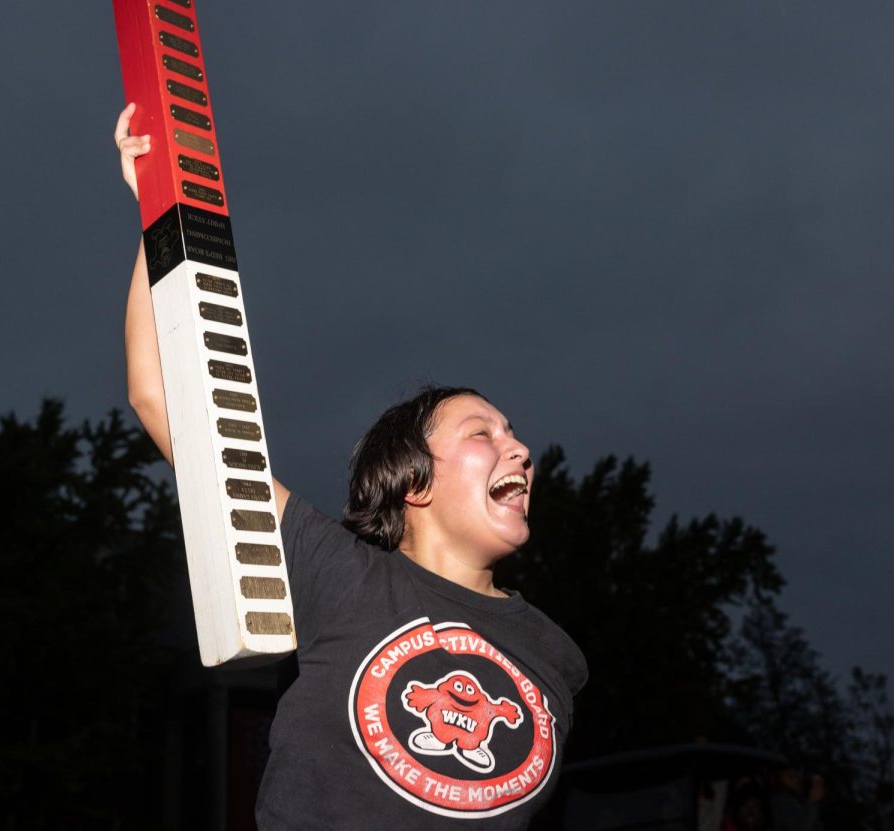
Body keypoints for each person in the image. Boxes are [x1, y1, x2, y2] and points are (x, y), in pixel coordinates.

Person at [115, 105, 587, 829]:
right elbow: (163, 400)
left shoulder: (554, 654)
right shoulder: (343, 577)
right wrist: (158, 198)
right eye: (481, 432)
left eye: (515, 434)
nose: (518, 448)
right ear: (415, 482)